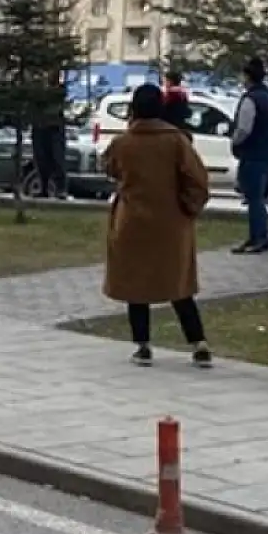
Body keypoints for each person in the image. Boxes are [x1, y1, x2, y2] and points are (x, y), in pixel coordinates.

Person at [103, 84, 214, 367]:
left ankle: (143, 345)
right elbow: (198, 181)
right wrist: (188, 208)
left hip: (132, 222)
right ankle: (198, 343)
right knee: (179, 285)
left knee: (135, 286)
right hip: (172, 223)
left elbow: (109, 168)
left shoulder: (123, 142)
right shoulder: (176, 141)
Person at [229, 57, 268, 254]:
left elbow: (244, 128)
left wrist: (234, 142)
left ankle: (258, 237)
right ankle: (261, 235)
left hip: (254, 153)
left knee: (254, 197)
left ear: (247, 76)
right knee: (259, 196)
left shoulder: (251, 98)